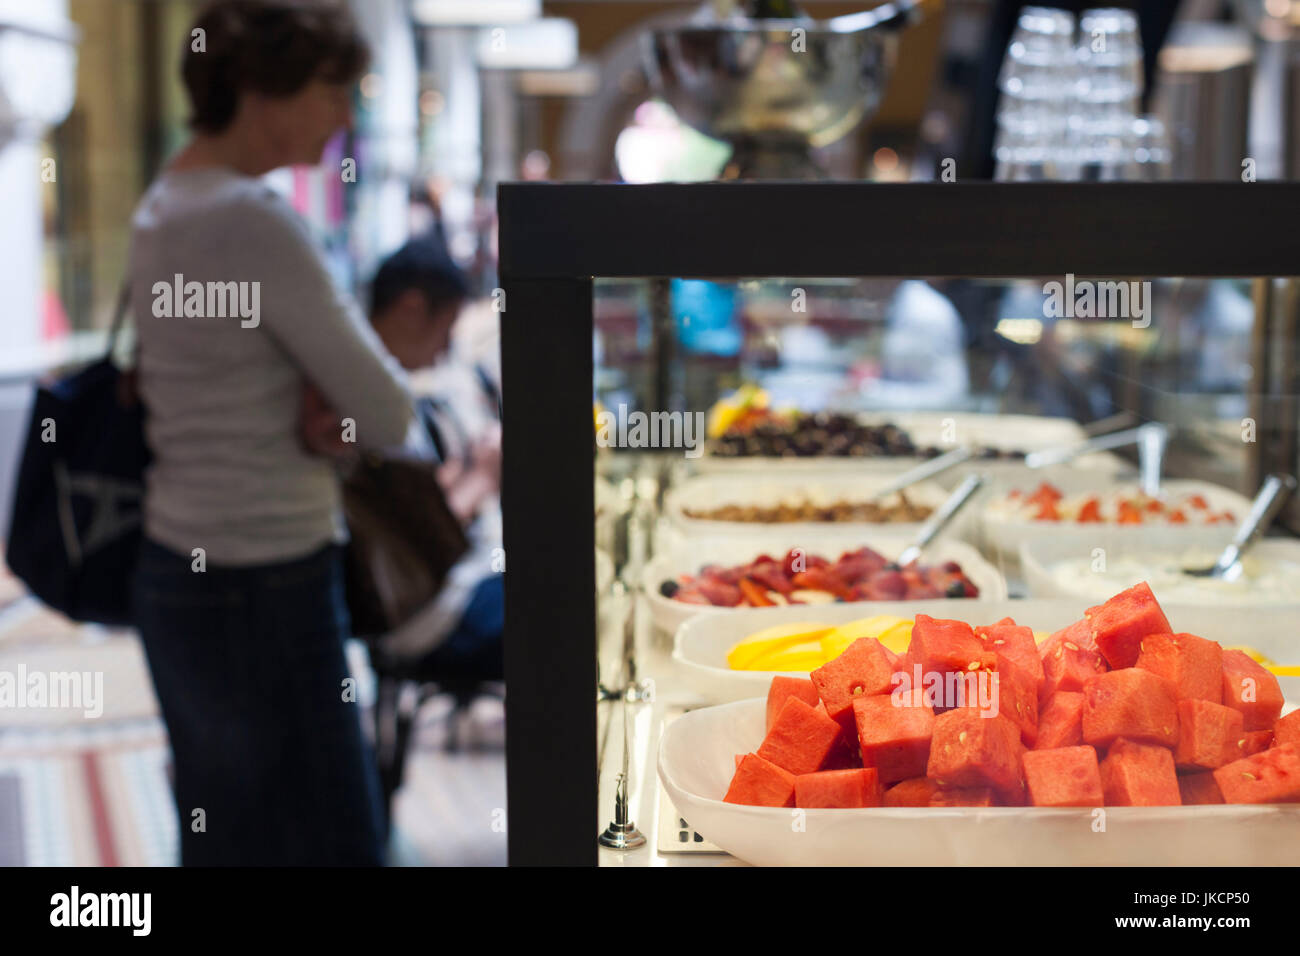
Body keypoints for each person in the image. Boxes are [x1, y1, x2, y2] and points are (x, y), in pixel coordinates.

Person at [129, 0, 412, 866]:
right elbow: (392, 416)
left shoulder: (164, 202)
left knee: (224, 831)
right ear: (262, 88)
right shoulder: (255, 221)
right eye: (333, 90)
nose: (345, 115)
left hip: (178, 566)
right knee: (336, 839)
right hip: (268, 577)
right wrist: (339, 415)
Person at [360, 236, 504, 682]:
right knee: (572, 598)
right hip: (431, 618)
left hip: (450, 593)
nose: (443, 351)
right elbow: (408, 542)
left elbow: (414, 505)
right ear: (411, 308)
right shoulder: (369, 398)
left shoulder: (384, 386)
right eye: (445, 330)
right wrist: (482, 478)